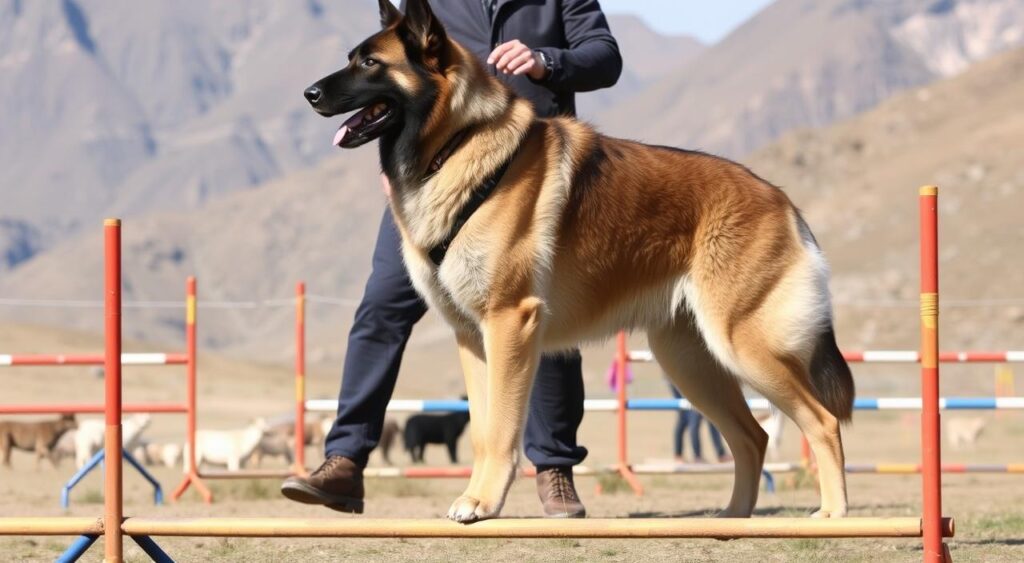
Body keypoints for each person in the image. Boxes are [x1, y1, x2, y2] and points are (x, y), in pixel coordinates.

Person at [281, 0, 622, 518]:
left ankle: (553, 469)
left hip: (526, 173)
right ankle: (345, 460)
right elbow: (403, 87)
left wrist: (545, 61)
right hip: (429, 182)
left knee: (540, 320)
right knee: (382, 307)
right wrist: (394, 162)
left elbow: (604, 57)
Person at [669, 384, 732, 464]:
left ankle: (720, 453)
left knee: (710, 416)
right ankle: (694, 455)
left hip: (698, 383)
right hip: (685, 381)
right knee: (688, 417)